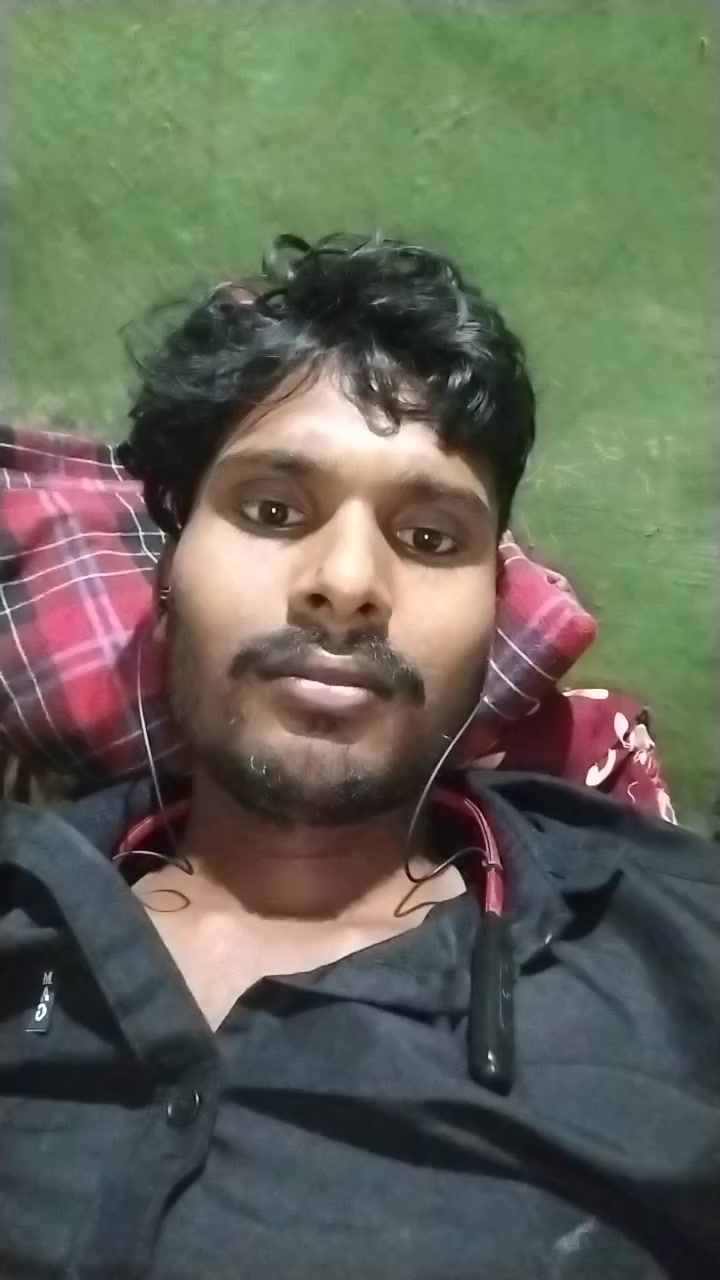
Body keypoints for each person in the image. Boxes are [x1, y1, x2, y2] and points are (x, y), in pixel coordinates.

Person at [1, 233, 718, 1280]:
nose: (345, 583)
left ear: (492, 609)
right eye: (272, 510)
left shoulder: (676, 956)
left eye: (429, 538)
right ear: (169, 569)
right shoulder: (25, 905)